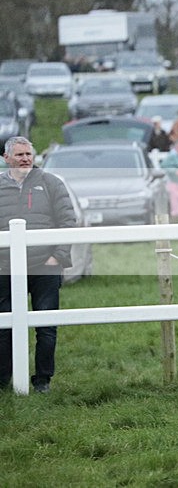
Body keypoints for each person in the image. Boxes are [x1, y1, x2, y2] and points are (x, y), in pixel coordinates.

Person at [0, 137, 76, 393]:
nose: (25, 159)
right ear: (6, 158)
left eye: (28, 154)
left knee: (46, 327)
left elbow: (68, 221)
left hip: (45, 267)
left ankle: (43, 380)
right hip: (6, 268)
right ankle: (3, 380)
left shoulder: (51, 183)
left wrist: (57, 257)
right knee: (4, 327)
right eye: (19, 154)